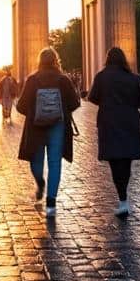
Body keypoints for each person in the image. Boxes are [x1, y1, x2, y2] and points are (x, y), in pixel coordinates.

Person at [17, 47, 82, 218]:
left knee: (36, 160)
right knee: (55, 162)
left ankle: (40, 182)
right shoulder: (63, 79)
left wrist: (35, 112)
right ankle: (51, 202)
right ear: (55, 61)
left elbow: (21, 106)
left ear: (40, 61)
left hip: (36, 127)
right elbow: (75, 103)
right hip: (57, 126)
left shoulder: (32, 79)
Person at [87, 47, 140, 217]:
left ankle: (122, 199)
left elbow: (92, 97)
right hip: (130, 123)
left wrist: (106, 102)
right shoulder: (133, 78)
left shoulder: (101, 76)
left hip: (109, 122)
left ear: (108, 59)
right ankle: (124, 198)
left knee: (115, 161)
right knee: (126, 161)